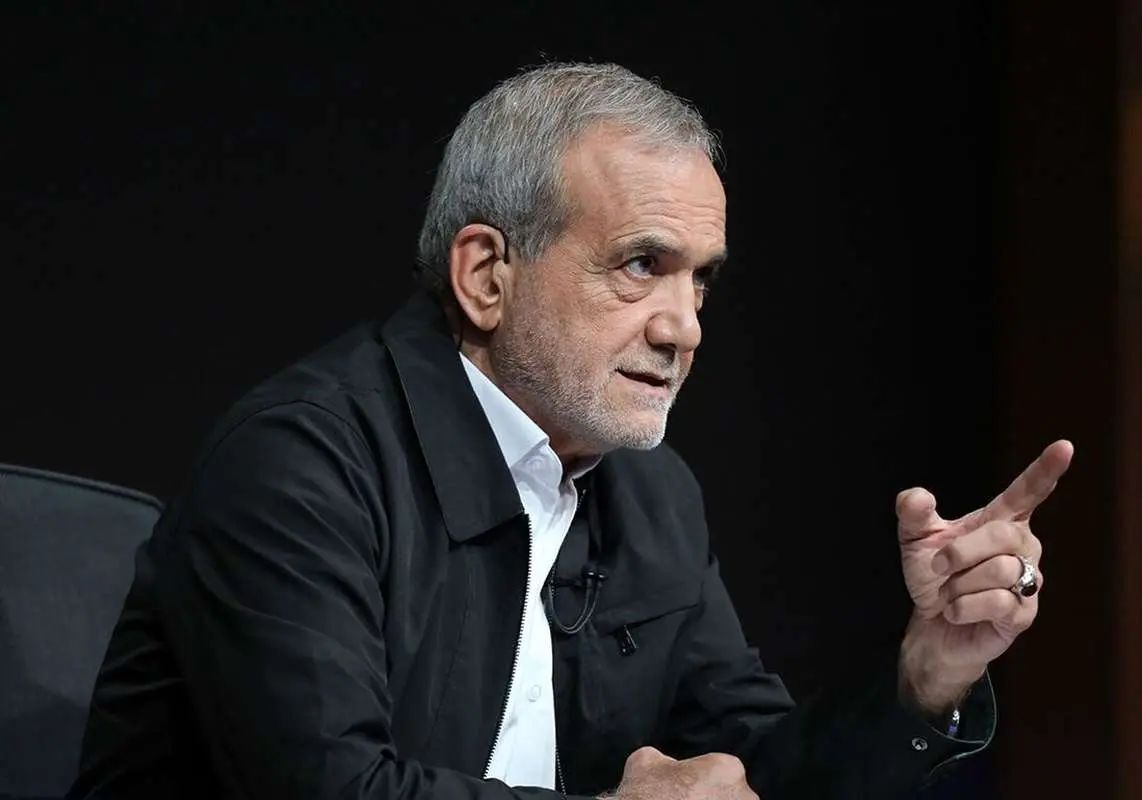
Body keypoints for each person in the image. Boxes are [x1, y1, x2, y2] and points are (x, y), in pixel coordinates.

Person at [70, 62, 1073, 800]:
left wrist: (925, 679)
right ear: (486, 275)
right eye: (642, 264)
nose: (684, 326)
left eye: (701, 279)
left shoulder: (650, 493)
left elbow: (752, 773)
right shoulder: (301, 465)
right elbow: (325, 786)